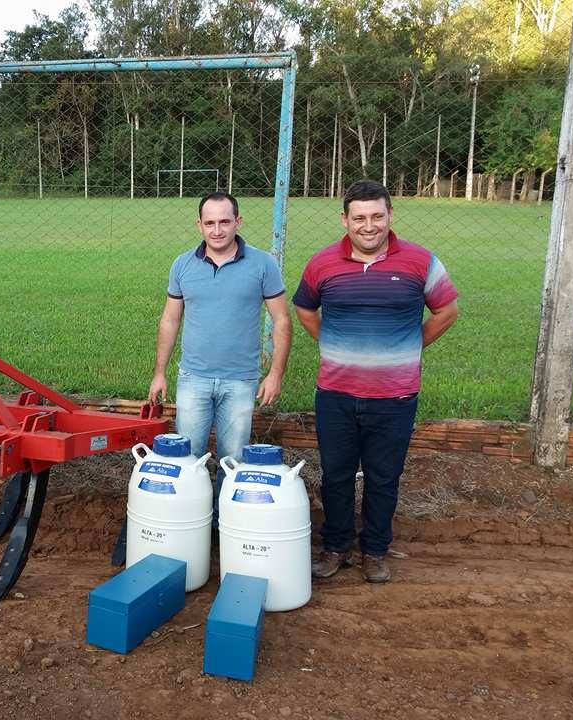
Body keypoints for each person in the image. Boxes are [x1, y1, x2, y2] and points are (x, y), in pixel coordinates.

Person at [293, 179, 459, 583]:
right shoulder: (322, 263)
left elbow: (446, 311)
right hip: (336, 393)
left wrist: (408, 348)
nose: (369, 226)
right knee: (335, 474)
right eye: (360, 217)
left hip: (394, 396)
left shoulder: (421, 262)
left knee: (384, 477)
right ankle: (334, 547)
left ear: (390, 216)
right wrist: (334, 344)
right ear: (345, 219)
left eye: (377, 216)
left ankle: (375, 551)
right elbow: (305, 309)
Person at [148, 191, 291, 501]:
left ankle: (224, 523)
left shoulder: (263, 264)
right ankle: (191, 517)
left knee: (233, 459)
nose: (217, 230)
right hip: (193, 378)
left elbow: (281, 320)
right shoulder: (183, 265)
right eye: (209, 223)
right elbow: (170, 320)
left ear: (238, 222)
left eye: (225, 222)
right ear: (199, 225)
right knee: (188, 457)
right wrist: (160, 373)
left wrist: (275, 374)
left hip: (240, 379)